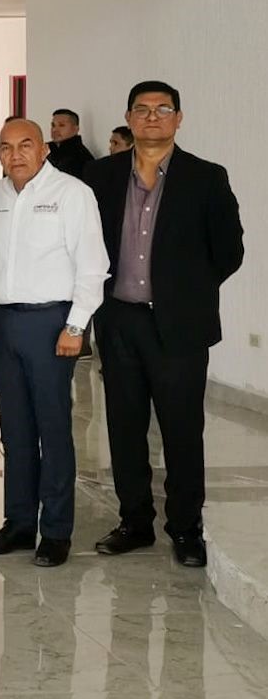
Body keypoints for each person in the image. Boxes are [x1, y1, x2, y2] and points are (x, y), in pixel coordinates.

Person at [83, 81, 244, 567]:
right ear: (129, 118)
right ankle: (134, 522)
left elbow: (229, 251)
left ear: (178, 118)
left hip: (180, 326)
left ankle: (186, 528)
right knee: (124, 427)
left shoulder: (206, 177)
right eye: (142, 109)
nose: (152, 117)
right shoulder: (101, 176)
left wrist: (184, 292)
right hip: (120, 321)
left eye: (163, 109)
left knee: (182, 430)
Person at [0, 117, 107, 567]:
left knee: (53, 428)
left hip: (51, 324)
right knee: (15, 430)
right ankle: (19, 523)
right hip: (2, 324)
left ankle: (56, 531)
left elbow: (92, 264)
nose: (15, 155)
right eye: (6, 147)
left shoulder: (72, 193)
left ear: (44, 149)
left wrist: (76, 326)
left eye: (25, 145)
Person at [47, 109, 95, 177]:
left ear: (76, 129)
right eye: (53, 125)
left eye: (61, 125)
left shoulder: (81, 157)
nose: (54, 129)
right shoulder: (45, 149)